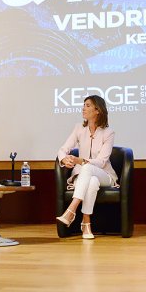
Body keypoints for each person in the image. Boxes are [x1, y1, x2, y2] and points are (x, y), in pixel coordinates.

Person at [55, 95, 118, 240]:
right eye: (84, 105)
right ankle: (86, 223)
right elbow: (63, 149)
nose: (84, 108)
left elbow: (101, 161)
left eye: (88, 105)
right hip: (86, 177)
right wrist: (64, 158)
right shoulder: (79, 128)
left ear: (98, 110)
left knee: (88, 168)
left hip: (105, 175)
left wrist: (80, 160)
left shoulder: (108, 132)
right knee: (92, 181)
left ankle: (71, 209)